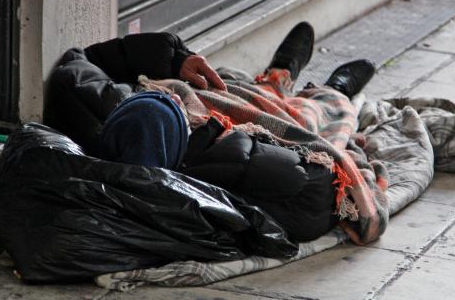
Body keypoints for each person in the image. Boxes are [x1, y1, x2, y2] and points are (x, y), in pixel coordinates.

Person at [45, 23, 387, 245]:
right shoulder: (209, 170)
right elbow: (317, 191)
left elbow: (82, 59)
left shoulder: (97, 107)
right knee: (314, 116)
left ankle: (279, 75)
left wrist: (174, 59)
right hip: (228, 129)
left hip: (212, 103)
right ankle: (334, 90)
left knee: (235, 87)